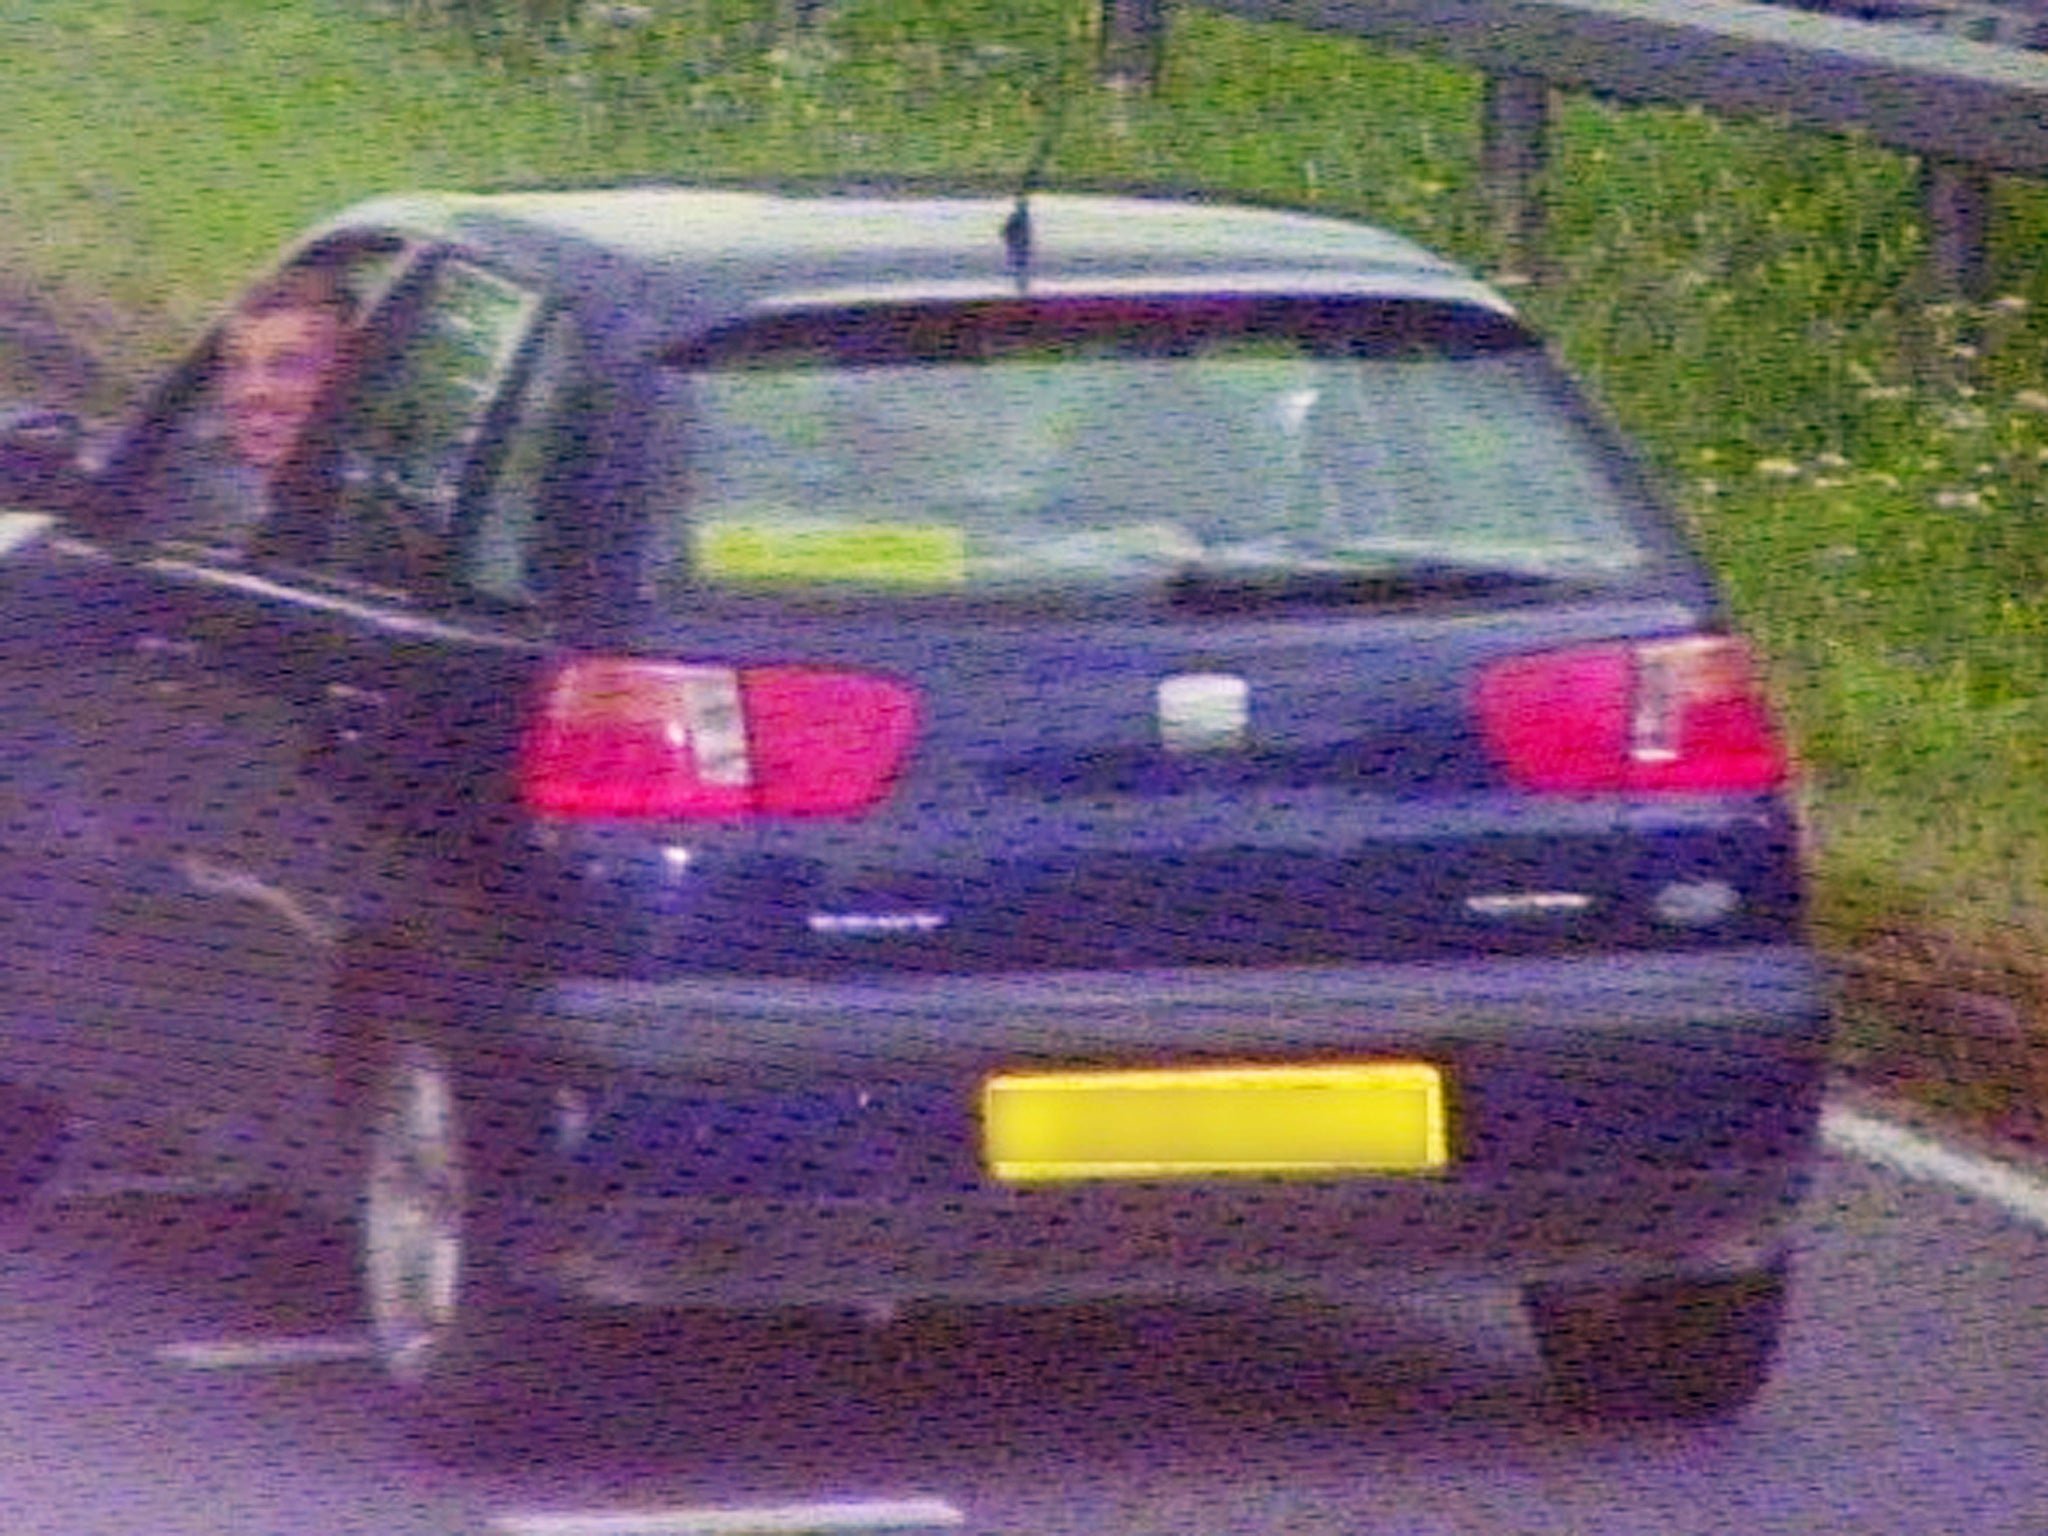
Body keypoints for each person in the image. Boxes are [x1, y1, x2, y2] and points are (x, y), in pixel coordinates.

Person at [154, 266, 354, 552]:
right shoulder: (177, 476)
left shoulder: (364, 517)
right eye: (237, 367)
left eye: (288, 365)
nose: (252, 391)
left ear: (345, 376)